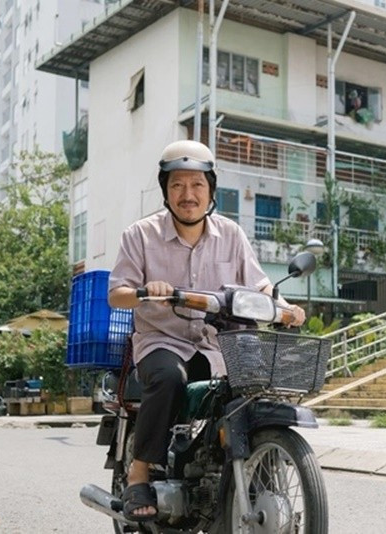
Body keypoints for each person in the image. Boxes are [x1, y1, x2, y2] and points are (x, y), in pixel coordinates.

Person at [108, 139, 306, 521]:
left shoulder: (230, 234)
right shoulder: (140, 234)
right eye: (178, 185)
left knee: (255, 386)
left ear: (211, 190)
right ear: (166, 191)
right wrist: (147, 292)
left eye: (197, 185)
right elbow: (117, 294)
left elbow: (261, 286)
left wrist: (286, 308)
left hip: (218, 345)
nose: (188, 195)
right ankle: (138, 474)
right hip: (161, 341)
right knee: (168, 378)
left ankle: (241, 464)